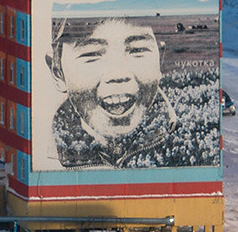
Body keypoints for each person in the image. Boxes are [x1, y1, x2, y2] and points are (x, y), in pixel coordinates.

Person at [47, 16, 173, 168]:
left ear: (161, 59)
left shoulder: (189, 143)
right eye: (92, 54)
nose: (118, 74)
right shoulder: (44, 159)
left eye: (137, 50)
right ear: (58, 73)